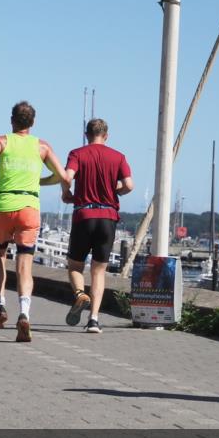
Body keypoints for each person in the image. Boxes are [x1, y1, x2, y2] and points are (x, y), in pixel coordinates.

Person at [0, 101, 69, 342]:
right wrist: (41, 182)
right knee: (25, 262)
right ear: (32, 123)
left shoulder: (2, 141)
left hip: (4, 205)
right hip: (29, 208)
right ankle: (24, 313)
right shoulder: (42, 146)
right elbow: (63, 176)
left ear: (12, 120)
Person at [61, 118, 134, 334]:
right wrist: (115, 191)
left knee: (75, 266)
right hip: (107, 217)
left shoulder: (77, 154)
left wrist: (66, 193)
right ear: (106, 136)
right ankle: (93, 320)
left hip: (84, 215)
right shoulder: (118, 157)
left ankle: (80, 295)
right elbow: (129, 185)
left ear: (87, 135)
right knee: (99, 271)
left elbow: (67, 176)